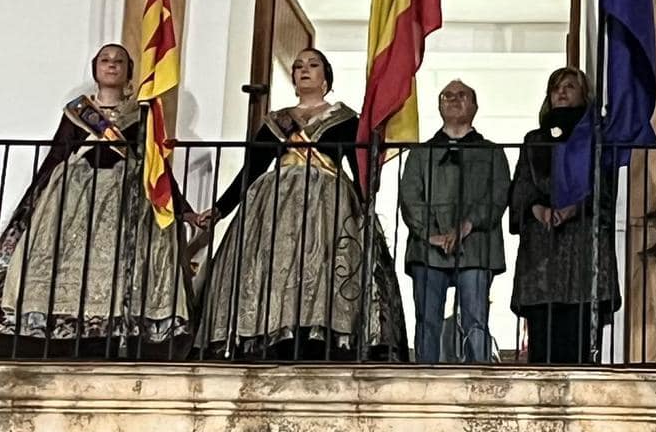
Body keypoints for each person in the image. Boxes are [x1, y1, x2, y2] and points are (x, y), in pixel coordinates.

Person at [0, 44, 193, 357]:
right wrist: (32, 201)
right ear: (96, 69)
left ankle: (114, 332)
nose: (111, 65)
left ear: (129, 72)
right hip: (74, 196)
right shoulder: (77, 112)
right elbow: (57, 156)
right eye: (105, 60)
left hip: (126, 197)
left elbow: (156, 168)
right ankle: (58, 334)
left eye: (119, 61)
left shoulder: (142, 115)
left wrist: (184, 210)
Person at [195, 48, 406, 361]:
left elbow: (360, 169)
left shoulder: (347, 120)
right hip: (275, 205)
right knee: (275, 266)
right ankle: (273, 335)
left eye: (313, 64)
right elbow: (251, 170)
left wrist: (366, 202)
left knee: (324, 268)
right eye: (298, 66)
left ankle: (321, 336)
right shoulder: (276, 122)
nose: (304, 69)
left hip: (329, 205)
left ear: (326, 78)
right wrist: (220, 209)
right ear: (293, 78)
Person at [508, 67, 619, 364]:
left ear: (584, 94)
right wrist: (537, 208)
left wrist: (574, 208)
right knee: (543, 345)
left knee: (579, 341)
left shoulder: (597, 139)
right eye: (556, 87)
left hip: (582, 250)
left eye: (569, 86)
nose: (561, 92)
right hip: (542, 253)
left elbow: (604, 190)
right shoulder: (535, 140)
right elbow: (522, 186)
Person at [399, 80, 510, 363]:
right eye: (446, 95)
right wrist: (430, 234)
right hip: (428, 249)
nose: (453, 99)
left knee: (476, 320)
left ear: (474, 105)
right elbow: (409, 197)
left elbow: (498, 195)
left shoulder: (492, 152)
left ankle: (480, 377)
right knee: (427, 321)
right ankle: (426, 378)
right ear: (439, 105)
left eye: (462, 95)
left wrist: (468, 225)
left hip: (476, 247)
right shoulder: (420, 153)